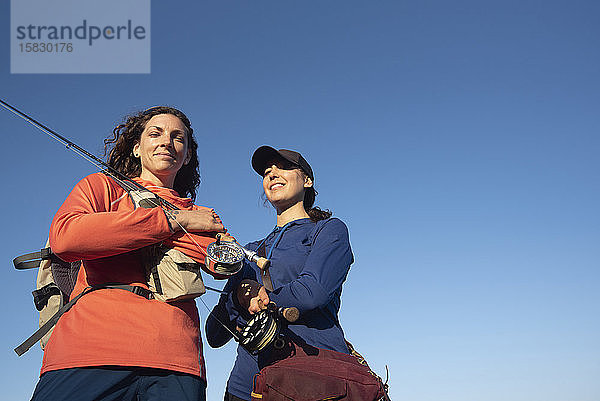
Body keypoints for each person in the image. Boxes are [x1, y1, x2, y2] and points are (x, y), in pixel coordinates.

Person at [31, 106, 227, 401]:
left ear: (186, 156)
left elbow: (223, 263)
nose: (166, 142)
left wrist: (122, 231)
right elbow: (67, 238)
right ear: (137, 148)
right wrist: (175, 222)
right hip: (87, 353)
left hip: (177, 362)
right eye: (155, 133)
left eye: (178, 137)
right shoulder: (101, 187)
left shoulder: (201, 214)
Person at [206, 146, 354, 401]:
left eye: (284, 167)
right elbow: (214, 334)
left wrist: (263, 296)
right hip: (245, 388)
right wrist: (238, 297)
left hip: (312, 378)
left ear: (307, 180)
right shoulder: (248, 250)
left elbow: (312, 293)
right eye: (266, 172)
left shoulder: (328, 230)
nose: (272, 173)